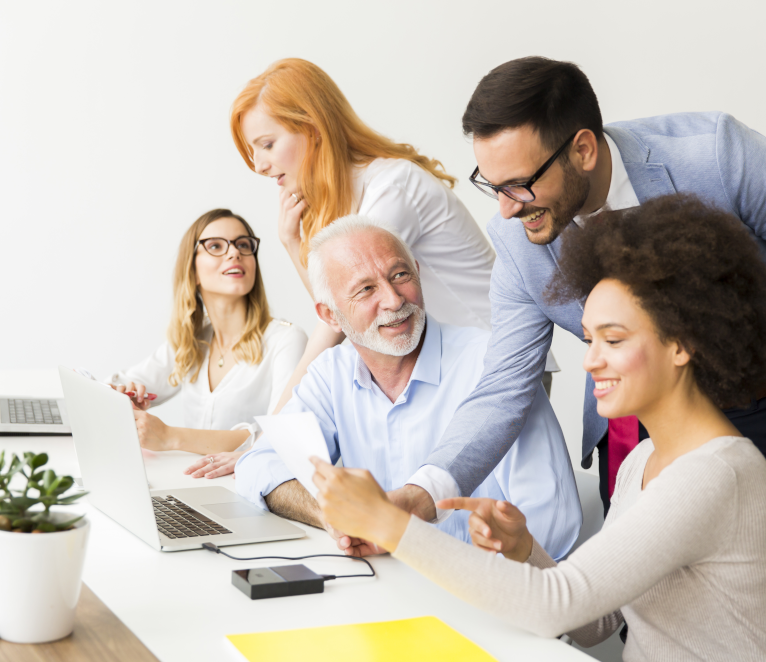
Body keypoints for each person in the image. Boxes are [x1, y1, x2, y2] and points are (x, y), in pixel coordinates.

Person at [394, 57, 766, 547]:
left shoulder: (716, 156)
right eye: (492, 185)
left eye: (520, 184)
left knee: (737, 603)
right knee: (639, 614)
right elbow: (503, 385)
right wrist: (427, 489)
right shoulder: (517, 239)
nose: (505, 209)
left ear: (583, 149)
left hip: (761, 414)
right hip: (634, 440)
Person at [311, 195, 766, 662]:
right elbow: (597, 619)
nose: (591, 361)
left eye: (613, 339)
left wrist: (390, 525)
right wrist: (526, 551)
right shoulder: (642, 461)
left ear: (682, 344)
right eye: (589, 340)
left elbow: (556, 607)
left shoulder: (715, 474)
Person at [229, 59, 552, 430]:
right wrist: (292, 242)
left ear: (313, 129)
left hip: (496, 368)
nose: (258, 165)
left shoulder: (390, 192)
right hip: (453, 372)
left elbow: (339, 326)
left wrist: (269, 433)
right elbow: (341, 312)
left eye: (266, 145)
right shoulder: (357, 194)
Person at [234, 216, 581, 559]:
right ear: (330, 316)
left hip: (480, 594)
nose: (394, 300)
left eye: (400, 275)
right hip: (380, 587)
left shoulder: (494, 367)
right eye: (366, 289)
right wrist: (334, 517)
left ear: (417, 271)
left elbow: (553, 527)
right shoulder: (331, 373)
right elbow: (259, 464)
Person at [106, 208, 307, 471]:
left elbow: (276, 438)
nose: (234, 253)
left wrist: (168, 436)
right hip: (192, 487)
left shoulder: (287, 341)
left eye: (243, 245)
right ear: (192, 270)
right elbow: (117, 385)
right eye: (215, 246)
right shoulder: (191, 342)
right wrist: (124, 397)